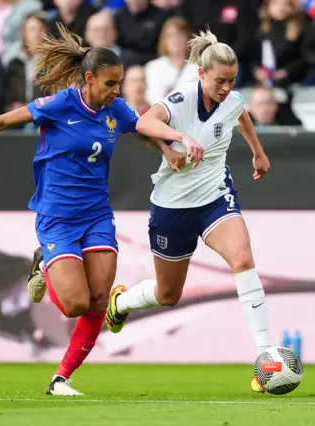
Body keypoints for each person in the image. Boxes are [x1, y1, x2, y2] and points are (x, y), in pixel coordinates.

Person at [0, 23, 196, 396]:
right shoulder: (60, 105)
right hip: (58, 218)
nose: (116, 91)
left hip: (97, 215)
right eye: (109, 84)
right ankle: (43, 263)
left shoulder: (115, 109)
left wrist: (167, 150)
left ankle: (60, 379)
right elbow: (1, 121)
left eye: (118, 84)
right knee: (74, 305)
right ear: (88, 79)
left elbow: (144, 129)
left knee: (100, 300)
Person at [104, 29, 272, 393]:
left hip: (214, 196)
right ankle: (122, 301)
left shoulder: (233, 98)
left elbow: (239, 112)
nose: (226, 88)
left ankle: (265, 358)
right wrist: (181, 137)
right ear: (201, 74)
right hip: (173, 205)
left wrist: (257, 150)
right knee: (169, 295)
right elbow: (144, 122)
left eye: (231, 80)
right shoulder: (180, 100)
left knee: (242, 257)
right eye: (219, 81)